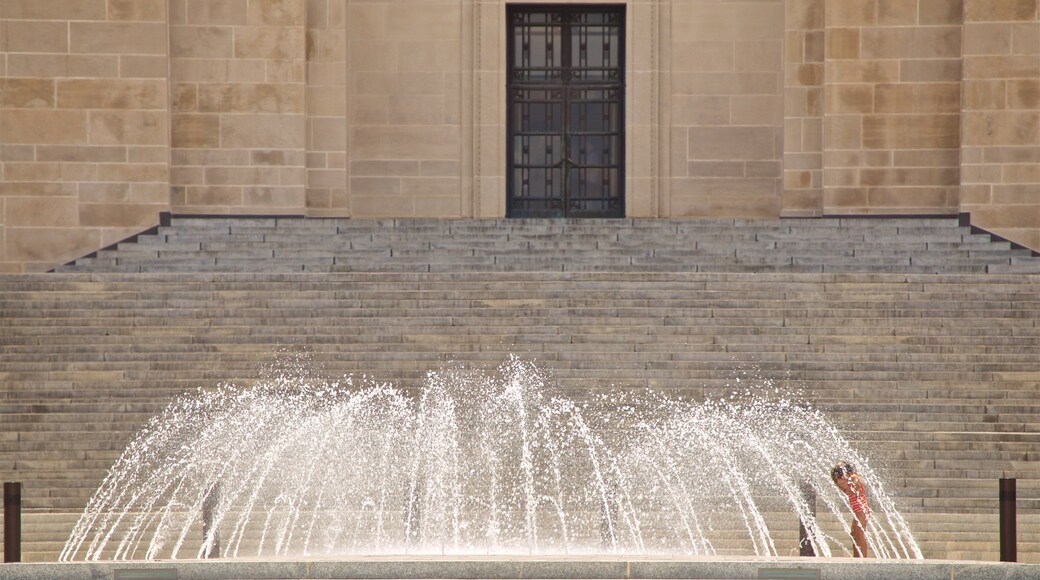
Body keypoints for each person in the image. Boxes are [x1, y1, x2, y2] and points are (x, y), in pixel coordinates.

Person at [831, 462, 871, 558]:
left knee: (859, 534)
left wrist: (845, 485)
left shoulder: (853, 477)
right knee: (854, 534)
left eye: (838, 478)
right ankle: (858, 557)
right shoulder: (848, 480)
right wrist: (841, 485)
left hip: (862, 510)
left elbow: (854, 489)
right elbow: (847, 491)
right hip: (858, 510)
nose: (838, 481)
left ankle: (862, 558)